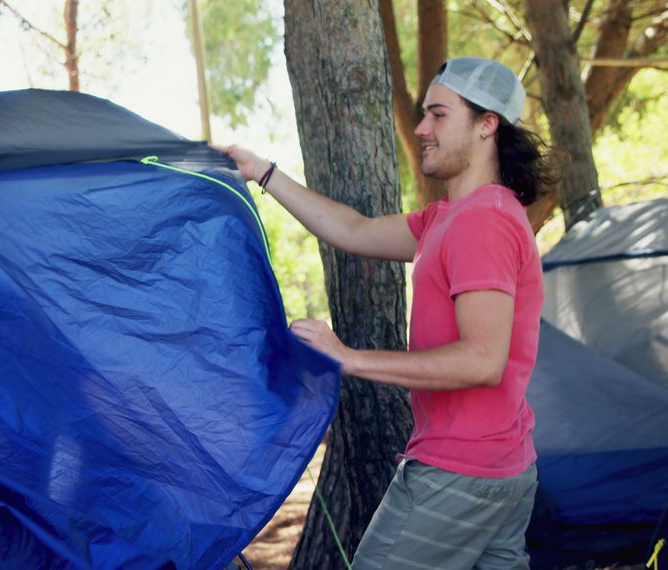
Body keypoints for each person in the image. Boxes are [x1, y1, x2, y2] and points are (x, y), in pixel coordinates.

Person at [223, 57, 558, 569]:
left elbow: (482, 360)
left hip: (459, 472)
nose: (421, 128)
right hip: (503, 468)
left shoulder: (482, 224)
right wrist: (262, 171)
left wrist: (349, 358)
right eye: (424, 114)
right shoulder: (451, 217)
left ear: (487, 124)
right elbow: (351, 230)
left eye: (439, 115)